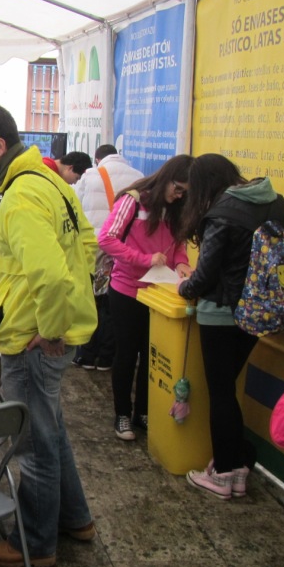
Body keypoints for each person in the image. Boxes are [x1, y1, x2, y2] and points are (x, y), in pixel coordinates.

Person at [0, 102, 97, 567]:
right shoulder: (51, 180)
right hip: (55, 332)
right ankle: (75, 518)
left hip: (33, 340)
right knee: (50, 431)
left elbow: (52, 277)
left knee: (33, 447)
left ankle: (35, 544)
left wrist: (50, 329)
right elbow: (89, 245)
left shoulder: (21, 195)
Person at [176, 153, 284, 499]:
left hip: (221, 313)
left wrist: (185, 286)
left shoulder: (222, 213)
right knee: (228, 387)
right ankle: (237, 464)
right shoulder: (276, 204)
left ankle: (225, 473)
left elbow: (207, 272)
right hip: (258, 313)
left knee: (221, 391)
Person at [98, 154, 193, 441]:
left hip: (158, 293)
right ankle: (122, 414)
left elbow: (178, 247)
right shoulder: (134, 199)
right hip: (126, 289)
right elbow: (107, 239)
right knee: (127, 354)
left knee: (150, 356)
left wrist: (182, 264)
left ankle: (143, 412)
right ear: (167, 177)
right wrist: (145, 259)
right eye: (177, 189)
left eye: (185, 193)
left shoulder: (177, 210)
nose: (179, 196)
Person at [72, 144, 143, 371]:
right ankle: (107, 356)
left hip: (97, 247)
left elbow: (77, 210)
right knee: (113, 302)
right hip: (123, 249)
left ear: (97, 158)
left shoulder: (90, 176)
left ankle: (87, 354)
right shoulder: (139, 177)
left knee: (91, 299)